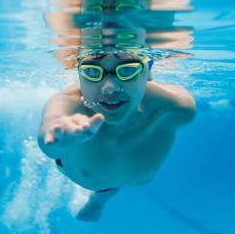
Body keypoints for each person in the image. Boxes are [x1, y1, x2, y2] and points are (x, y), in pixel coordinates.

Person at [37, 39, 196, 222]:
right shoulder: (69, 103)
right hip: (89, 175)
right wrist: (57, 138)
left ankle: (99, 200)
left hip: (106, 176)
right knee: (105, 186)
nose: (110, 87)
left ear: (148, 72)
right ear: (80, 77)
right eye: (92, 71)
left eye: (127, 69)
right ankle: (99, 199)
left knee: (107, 186)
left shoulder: (177, 107)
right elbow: (48, 134)